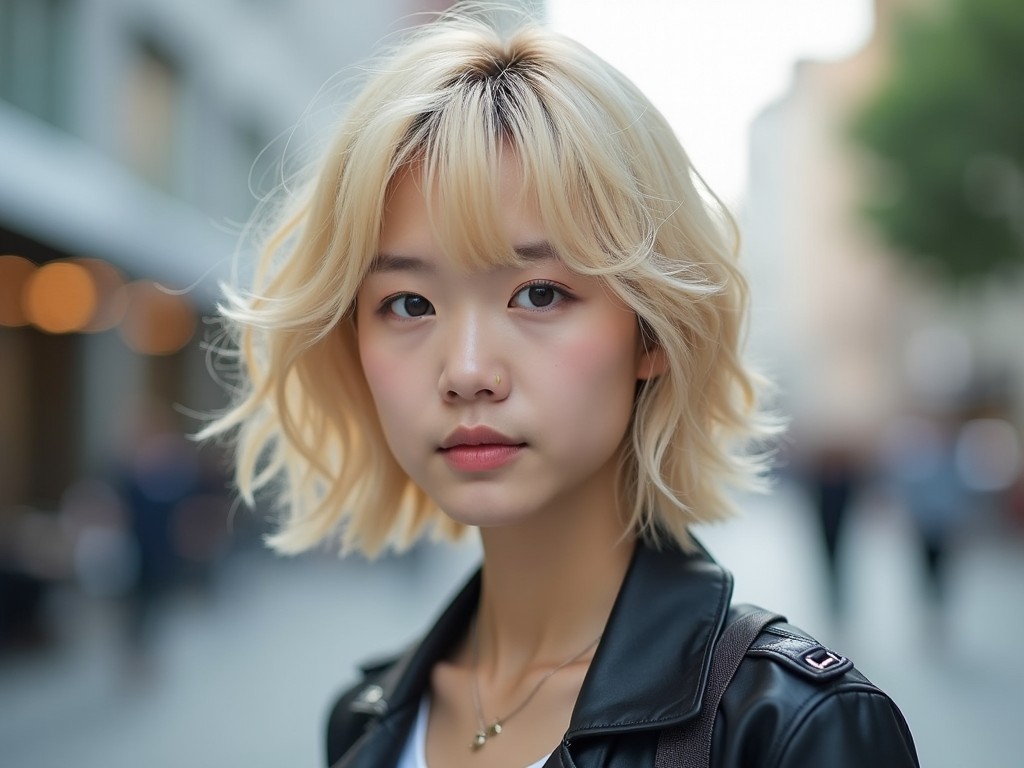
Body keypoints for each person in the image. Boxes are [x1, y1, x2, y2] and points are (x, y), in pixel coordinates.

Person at [202, 8, 919, 767]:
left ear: (651, 332)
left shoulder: (789, 734)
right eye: (408, 304)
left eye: (539, 294)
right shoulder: (362, 723)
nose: (468, 371)